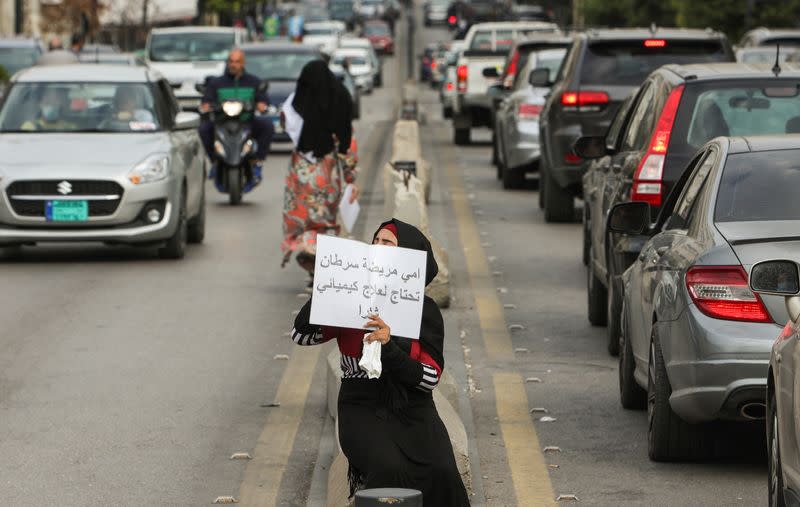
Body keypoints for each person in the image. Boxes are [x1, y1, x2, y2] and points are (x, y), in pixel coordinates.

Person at [291, 219, 470, 506]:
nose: (378, 247)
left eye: (388, 243)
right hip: (360, 406)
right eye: (375, 241)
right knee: (390, 471)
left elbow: (429, 378)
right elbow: (302, 335)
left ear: (409, 256)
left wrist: (390, 347)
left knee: (443, 472)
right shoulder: (351, 301)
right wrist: (329, 288)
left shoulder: (425, 311)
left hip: (414, 408)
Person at [280, 60, 359, 278]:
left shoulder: (297, 102)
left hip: (300, 173)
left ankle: (312, 265)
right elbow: (347, 143)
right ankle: (321, 267)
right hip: (328, 173)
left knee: (303, 221)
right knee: (324, 223)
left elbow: (284, 121)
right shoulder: (340, 100)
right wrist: (351, 177)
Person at [199, 48, 274, 173]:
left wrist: (262, 105)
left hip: (246, 122)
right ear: (228, 63)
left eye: (237, 62)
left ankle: (258, 160)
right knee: (204, 129)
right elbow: (207, 100)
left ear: (243, 63)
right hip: (221, 122)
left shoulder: (253, 81)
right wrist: (206, 106)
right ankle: (214, 161)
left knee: (267, 126)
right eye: (231, 61)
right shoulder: (217, 83)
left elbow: (262, 99)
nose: (234, 65)